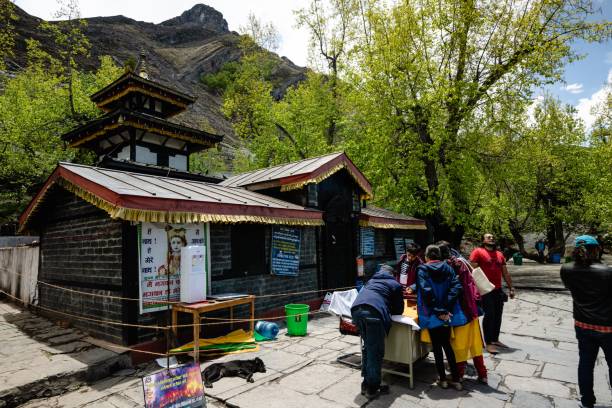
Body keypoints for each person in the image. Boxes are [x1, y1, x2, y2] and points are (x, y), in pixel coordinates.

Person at [560, 235, 612, 408]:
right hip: (607, 327)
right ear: (596, 249)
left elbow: (570, 287)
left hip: (582, 325)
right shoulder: (607, 272)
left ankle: (586, 401)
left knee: (585, 362)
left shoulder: (566, 269)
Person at [437, 241, 488, 383]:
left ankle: (458, 375)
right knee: (475, 343)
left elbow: (451, 291)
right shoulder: (461, 262)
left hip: (460, 312)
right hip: (471, 309)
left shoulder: (448, 267)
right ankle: (482, 374)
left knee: (458, 345)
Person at [351, 264, 404, 399]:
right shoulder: (395, 284)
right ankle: (373, 388)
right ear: (393, 274)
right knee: (375, 352)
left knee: (367, 348)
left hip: (356, 311)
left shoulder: (371, 281)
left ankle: (366, 382)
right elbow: (399, 310)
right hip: (373, 314)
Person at [416, 245, 464, 391]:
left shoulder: (422, 269)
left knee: (436, 347)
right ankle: (456, 380)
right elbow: (456, 287)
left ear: (427, 256)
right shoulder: (448, 268)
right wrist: (445, 308)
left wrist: (438, 310)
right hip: (447, 314)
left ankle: (442, 379)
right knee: (447, 345)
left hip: (431, 314)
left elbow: (426, 291)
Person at [469, 233, 515, 354]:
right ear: (483, 240)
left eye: (492, 237)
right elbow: (473, 271)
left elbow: (505, 272)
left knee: (498, 315)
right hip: (485, 289)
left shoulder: (500, 254)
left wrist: (511, 287)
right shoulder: (477, 252)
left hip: (498, 289)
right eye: (488, 237)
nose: (491, 238)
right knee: (489, 314)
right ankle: (488, 343)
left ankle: (495, 339)